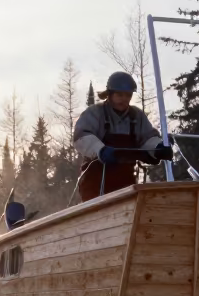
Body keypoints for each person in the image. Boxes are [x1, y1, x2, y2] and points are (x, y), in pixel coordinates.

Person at [73, 71, 173, 200]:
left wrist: (159, 147)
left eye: (128, 95)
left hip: (125, 180)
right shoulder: (95, 113)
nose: (124, 99)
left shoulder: (137, 116)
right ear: (109, 94)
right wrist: (100, 150)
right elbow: (81, 137)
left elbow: (147, 138)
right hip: (95, 180)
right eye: (119, 95)